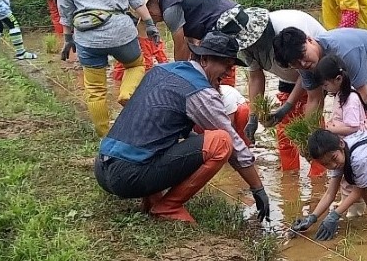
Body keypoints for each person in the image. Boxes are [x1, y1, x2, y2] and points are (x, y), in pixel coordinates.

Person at [94, 32, 270, 224]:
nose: (228, 73)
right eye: (226, 65)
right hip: (126, 177)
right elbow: (235, 145)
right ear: (204, 60)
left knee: (173, 138)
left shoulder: (161, 70)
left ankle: (152, 198)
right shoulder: (200, 91)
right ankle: (168, 206)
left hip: (103, 168)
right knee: (221, 142)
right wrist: (258, 188)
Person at [273, 27, 367, 196]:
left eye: (303, 56)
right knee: (359, 135)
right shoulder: (305, 68)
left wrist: (343, 129)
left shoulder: (344, 50)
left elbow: (359, 97)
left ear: (309, 40)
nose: (303, 64)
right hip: (359, 82)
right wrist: (311, 138)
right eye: (296, 64)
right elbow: (314, 99)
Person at [57, 0, 160, 137]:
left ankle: (105, 136)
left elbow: (64, 8)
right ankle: (126, 94)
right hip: (120, 31)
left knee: (95, 90)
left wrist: (68, 39)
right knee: (135, 65)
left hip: (87, 35)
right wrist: (149, 24)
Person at [240, 9, 327, 176]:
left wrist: (287, 106)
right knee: (285, 131)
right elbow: (256, 78)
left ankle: (319, 176)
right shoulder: (245, 43)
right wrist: (253, 116)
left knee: (312, 125)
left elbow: (306, 70)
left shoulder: (288, 30)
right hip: (289, 75)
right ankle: (290, 176)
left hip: (315, 70)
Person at [145, 0, 269, 86]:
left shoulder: (169, 11)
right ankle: (223, 91)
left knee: (217, 61)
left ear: (150, 12)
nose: (155, 21)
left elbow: (180, 44)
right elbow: (190, 43)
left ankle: (224, 94)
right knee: (214, 61)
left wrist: (178, 72)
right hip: (234, 13)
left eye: (151, 18)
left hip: (226, 20)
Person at [314, 54, 367, 218]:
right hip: (347, 147)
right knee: (348, 184)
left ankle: (355, 214)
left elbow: (353, 126)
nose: (325, 88)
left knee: (354, 184)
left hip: (358, 147)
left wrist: (332, 130)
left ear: (338, 79)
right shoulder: (341, 95)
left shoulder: (351, 98)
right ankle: (354, 213)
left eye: (326, 84)